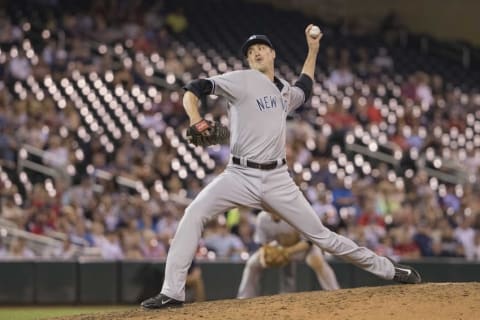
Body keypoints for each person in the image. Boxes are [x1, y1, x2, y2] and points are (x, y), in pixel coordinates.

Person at [141, 24, 421, 310]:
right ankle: (172, 292)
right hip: (239, 174)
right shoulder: (242, 80)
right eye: (251, 51)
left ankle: (390, 270)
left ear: (273, 54)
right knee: (194, 213)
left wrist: (313, 49)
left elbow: (306, 86)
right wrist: (194, 118)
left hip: (278, 179)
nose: (256, 52)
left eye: (261, 47)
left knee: (322, 237)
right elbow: (194, 88)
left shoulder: (284, 92)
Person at [237, 211, 339, 298]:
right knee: (252, 264)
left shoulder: (296, 213)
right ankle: (245, 297)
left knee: (317, 261)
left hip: (302, 248)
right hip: (279, 248)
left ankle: (335, 292)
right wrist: (265, 256)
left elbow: (308, 242)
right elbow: (262, 244)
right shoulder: (262, 218)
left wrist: (286, 252)